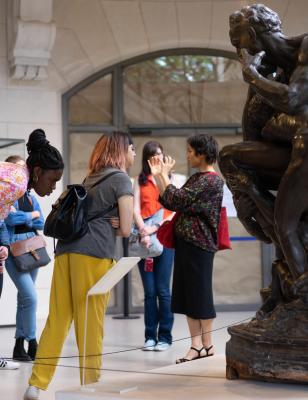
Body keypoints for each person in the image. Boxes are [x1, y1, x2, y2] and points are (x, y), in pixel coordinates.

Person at [24, 131, 135, 400]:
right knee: (91, 321)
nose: (133, 154)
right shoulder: (121, 179)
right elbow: (127, 228)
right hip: (95, 254)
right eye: (131, 148)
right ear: (121, 151)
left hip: (66, 250)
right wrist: (120, 225)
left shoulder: (91, 179)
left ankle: (36, 384)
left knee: (59, 318)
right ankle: (91, 384)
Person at [219, 3, 308, 300]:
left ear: (254, 36)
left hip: (305, 149)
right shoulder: (270, 70)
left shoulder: (305, 47)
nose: (239, 54)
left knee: (287, 226)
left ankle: (300, 285)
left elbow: (295, 100)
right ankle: (287, 270)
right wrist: (245, 199)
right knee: (230, 157)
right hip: (297, 151)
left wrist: (252, 76)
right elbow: (252, 134)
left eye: (239, 44)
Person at [148, 134, 223, 363]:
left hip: (200, 245)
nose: (188, 155)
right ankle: (196, 345)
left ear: (202, 153)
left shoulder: (211, 180)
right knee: (188, 296)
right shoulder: (197, 178)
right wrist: (157, 176)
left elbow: (178, 199)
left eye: (191, 151)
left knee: (200, 296)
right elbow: (170, 201)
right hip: (187, 244)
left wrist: (162, 175)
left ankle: (206, 345)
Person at [0, 129, 64, 370]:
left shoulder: (20, 181)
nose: (53, 188)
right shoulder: (17, 182)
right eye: (52, 180)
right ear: (38, 172)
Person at [133, 141, 174, 352]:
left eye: (160, 154)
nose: (157, 158)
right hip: (145, 242)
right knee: (149, 292)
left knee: (163, 290)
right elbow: (135, 209)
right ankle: (150, 336)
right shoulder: (138, 182)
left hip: (165, 240)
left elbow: (174, 210)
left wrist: (155, 227)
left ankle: (165, 337)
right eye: (153, 155)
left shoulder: (169, 180)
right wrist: (143, 231)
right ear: (147, 158)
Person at [4, 155, 45, 362]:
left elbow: (42, 222)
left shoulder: (30, 197)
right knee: (31, 297)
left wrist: (30, 219)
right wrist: (32, 217)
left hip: (32, 249)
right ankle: (32, 340)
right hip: (15, 250)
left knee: (24, 299)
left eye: (24, 170)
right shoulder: (6, 195)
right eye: (17, 169)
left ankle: (19, 346)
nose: (21, 174)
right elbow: (9, 218)